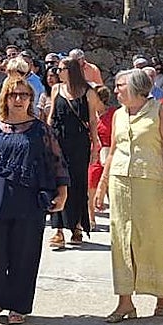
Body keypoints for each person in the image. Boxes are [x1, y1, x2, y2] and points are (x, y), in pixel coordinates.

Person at [0, 77, 69, 324]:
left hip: (30, 200)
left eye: (24, 95)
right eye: (14, 95)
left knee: (25, 252)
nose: (19, 99)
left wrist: (62, 193)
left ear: (31, 99)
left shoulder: (41, 129)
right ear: (5, 99)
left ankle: (18, 305)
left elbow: (58, 162)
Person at [94, 68, 163, 322]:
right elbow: (111, 152)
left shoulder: (160, 111)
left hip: (150, 182)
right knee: (121, 239)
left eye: (120, 85)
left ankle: (162, 295)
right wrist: (102, 186)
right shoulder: (118, 115)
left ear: (136, 87)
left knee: (154, 238)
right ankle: (125, 301)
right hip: (120, 183)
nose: (116, 90)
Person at [46, 57, 101, 249]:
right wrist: (46, 140)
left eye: (60, 69)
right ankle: (58, 230)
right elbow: (51, 117)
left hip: (79, 143)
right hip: (58, 141)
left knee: (77, 183)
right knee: (57, 182)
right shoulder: (56, 90)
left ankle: (76, 226)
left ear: (71, 71)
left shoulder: (88, 92)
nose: (57, 72)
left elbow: (93, 121)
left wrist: (95, 144)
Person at [86, 86, 115, 231]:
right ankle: (91, 218)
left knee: (111, 188)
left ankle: (116, 219)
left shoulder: (113, 114)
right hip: (94, 154)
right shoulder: (89, 115)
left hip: (111, 154)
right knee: (90, 186)